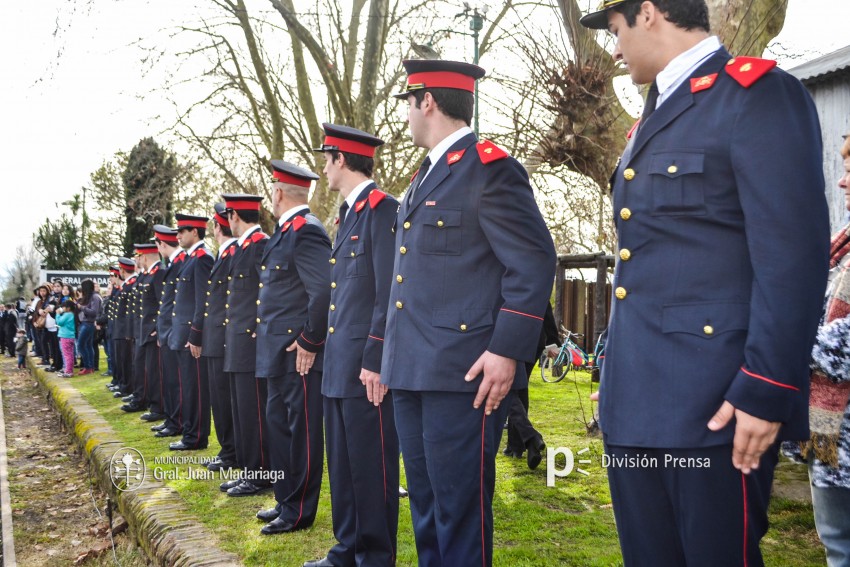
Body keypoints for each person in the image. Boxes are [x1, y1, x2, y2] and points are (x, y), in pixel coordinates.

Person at [578, 1, 830, 565]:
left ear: (649, 14)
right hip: (636, 407)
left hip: (717, 405)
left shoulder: (755, 97)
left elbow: (792, 258)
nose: (613, 49)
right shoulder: (654, 115)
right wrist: (620, 378)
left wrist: (765, 390)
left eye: (616, 31)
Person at [383, 59, 556, 566]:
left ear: (427, 101)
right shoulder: (424, 175)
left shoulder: (490, 168)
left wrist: (506, 350)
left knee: (459, 510)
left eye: (409, 104)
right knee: (426, 506)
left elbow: (533, 260)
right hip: (413, 367)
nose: (407, 117)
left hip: (464, 372)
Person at [303, 123, 400, 567]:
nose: (322, 169)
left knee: (371, 469)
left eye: (326, 159)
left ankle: (375, 557)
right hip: (338, 366)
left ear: (342, 159)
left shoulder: (382, 211)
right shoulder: (347, 216)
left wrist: (376, 356)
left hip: (367, 369)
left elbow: (388, 293)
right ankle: (346, 551)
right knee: (342, 469)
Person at [783, 135, 850, 567]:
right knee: (837, 545)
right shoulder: (842, 243)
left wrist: (782, 342)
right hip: (832, 435)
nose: (843, 183)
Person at [254, 160, 331, 536]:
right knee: (279, 429)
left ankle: (299, 509)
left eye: (272, 189)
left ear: (279, 192)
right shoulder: (285, 231)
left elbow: (323, 293)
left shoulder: (307, 232)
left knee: (300, 432)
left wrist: (309, 341)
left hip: (297, 353)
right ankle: (285, 499)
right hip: (275, 351)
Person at [217, 194, 270, 495]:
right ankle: (249, 470)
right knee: (242, 412)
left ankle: (261, 473)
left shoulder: (260, 245)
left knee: (254, 414)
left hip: (249, 343)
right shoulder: (243, 248)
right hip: (235, 342)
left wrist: (255, 330)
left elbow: (268, 291)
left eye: (229, 216)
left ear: (235, 215)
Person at [168, 213, 214, 451]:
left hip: (191, 337)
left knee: (194, 388)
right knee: (187, 387)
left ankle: (195, 436)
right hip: (182, 335)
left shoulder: (203, 258)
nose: (177, 236)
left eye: (181, 231)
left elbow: (203, 301)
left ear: (195, 232)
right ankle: (190, 432)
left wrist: (196, 333)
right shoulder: (190, 258)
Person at [202, 203, 239, 473]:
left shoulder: (232, 254)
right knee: (220, 400)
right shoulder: (222, 255)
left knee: (227, 401)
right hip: (216, 338)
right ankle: (228, 449)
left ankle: (232, 452)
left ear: (218, 227)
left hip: (226, 339)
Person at [504, 303, 559, 470]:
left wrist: (552, 340)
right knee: (519, 388)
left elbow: (543, 304)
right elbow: (544, 305)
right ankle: (517, 446)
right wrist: (552, 340)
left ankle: (528, 438)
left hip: (514, 339)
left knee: (508, 390)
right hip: (533, 340)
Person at [151, 225, 187, 439]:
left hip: (175, 333)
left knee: (177, 383)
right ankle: (172, 420)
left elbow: (179, 304)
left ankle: (177, 422)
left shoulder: (181, 262)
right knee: (170, 381)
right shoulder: (174, 264)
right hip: (167, 332)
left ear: (162, 244)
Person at [77, 279, 102, 375]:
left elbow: (94, 312)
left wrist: (82, 307)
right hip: (86, 323)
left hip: (89, 323)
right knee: (88, 345)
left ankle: (88, 366)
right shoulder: (90, 297)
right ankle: (90, 367)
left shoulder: (95, 297)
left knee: (81, 345)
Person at [56, 299, 77, 377]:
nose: (62, 309)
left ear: (68, 308)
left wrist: (57, 314)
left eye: (64, 307)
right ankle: (69, 370)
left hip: (65, 336)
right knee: (70, 354)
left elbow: (59, 322)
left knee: (67, 355)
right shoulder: (72, 314)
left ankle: (68, 371)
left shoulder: (67, 314)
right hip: (71, 336)